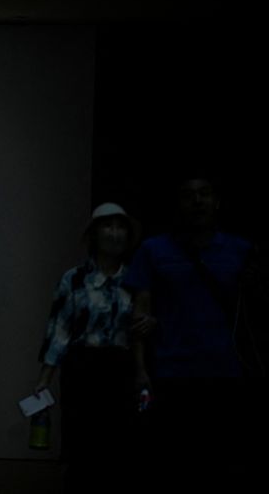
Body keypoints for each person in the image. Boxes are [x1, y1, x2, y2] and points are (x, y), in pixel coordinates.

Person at [125, 174, 260, 490]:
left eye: (204, 194)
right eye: (188, 195)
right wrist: (140, 370)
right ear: (178, 203)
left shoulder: (239, 249)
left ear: (216, 202)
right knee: (173, 463)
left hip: (226, 372)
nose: (197, 201)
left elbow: (255, 312)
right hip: (171, 373)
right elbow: (139, 313)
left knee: (222, 463)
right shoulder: (153, 250)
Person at [34, 203, 141, 494]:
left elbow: (140, 332)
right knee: (81, 446)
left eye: (120, 227)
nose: (114, 233)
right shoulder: (74, 278)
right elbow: (59, 329)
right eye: (107, 226)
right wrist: (44, 380)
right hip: (82, 368)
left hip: (120, 369)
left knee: (118, 447)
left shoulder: (135, 280)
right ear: (93, 233)